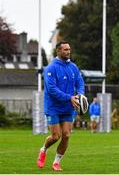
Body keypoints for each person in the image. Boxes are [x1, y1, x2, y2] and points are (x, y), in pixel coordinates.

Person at [37, 41, 85, 171]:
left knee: (67, 135)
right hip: (53, 107)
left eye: (69, 49)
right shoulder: (51, 68)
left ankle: (56, 162)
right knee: (55, 136)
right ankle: (43, 149)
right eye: (65, 49)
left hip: (68, 107)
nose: (68, 51)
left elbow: (80, 83)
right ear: (58, 51)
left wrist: (79, 95)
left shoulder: (73, 67)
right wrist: (69, 98)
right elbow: (51, 89)